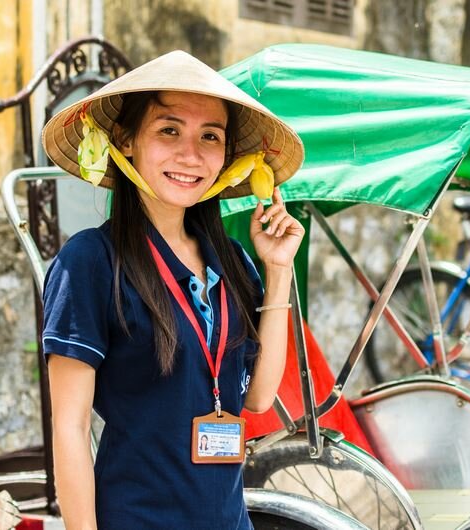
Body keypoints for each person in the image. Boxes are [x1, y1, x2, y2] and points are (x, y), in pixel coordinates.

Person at [40, 50, 304, 529]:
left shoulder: (234, 263)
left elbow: (259, 398)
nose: (191, 154)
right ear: (125, 140)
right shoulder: (90, 262)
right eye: (168, 130)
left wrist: (279, 269)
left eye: (210, 137)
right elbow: (70, 428)